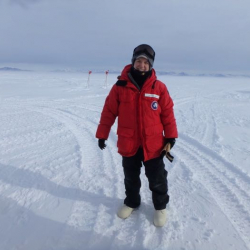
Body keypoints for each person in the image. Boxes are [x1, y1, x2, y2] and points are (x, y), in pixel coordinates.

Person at [96, 44, 178, 227]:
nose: (142, 65)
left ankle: (160, 207)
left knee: (157, 177)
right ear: (133, 62)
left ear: (151, 66)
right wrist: (102, 134)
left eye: (145, 62)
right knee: (130, 176)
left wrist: (171, 137)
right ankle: (132, 201)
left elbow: (167, 113)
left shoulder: (159, 87)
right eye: (139, 61)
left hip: (154, 144)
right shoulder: (120, 87)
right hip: (129, 141)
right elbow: (108, 112)